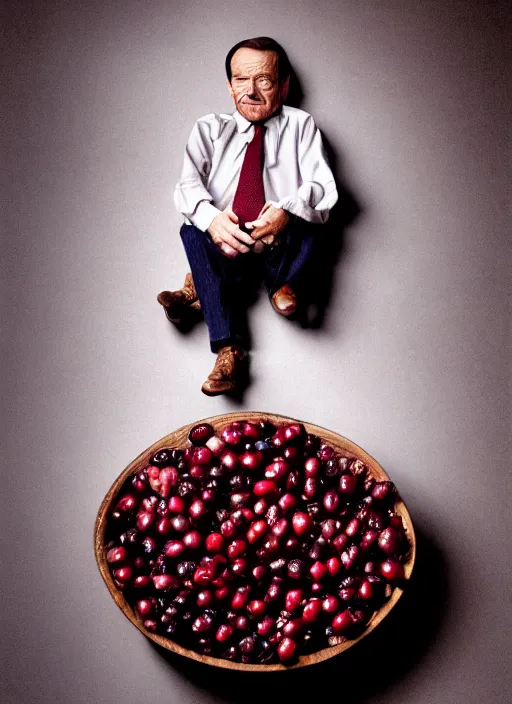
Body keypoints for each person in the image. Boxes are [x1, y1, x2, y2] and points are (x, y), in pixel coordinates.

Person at [158, 37, 338, 395]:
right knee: (191, 230)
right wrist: (213, 220)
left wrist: (286, 211)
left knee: (312, 220)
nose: (251, 91)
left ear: (284, 86)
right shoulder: (209, 129)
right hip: (230, 244)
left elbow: (323, 186)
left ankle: (265, 287)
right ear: (229, 85)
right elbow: (187, 187)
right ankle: (229, 350)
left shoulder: (300, 126)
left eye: (264, 81)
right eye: (241, 80)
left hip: (277, 245)